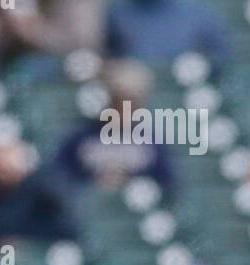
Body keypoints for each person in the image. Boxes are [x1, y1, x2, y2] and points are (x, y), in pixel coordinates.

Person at [51, 60, 176, 199]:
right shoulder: (81, 137)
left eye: (132, 103)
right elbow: (62, 179)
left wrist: (129, 180)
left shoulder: (150, 140)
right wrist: (95, 181)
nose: (124, 109)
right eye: (119, 102)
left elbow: (167, 186)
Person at [0, 139, 78, 253]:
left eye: (5, 167)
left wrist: (25, 243)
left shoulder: (45, 191)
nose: (0, 173)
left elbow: (68, 228)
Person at [106, 0, 229, 72]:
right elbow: (105, 61)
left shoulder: (199, 15)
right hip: (133, 106)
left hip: (184, 105)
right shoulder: (117, 14)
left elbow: (222, 60)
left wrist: (202, 64)